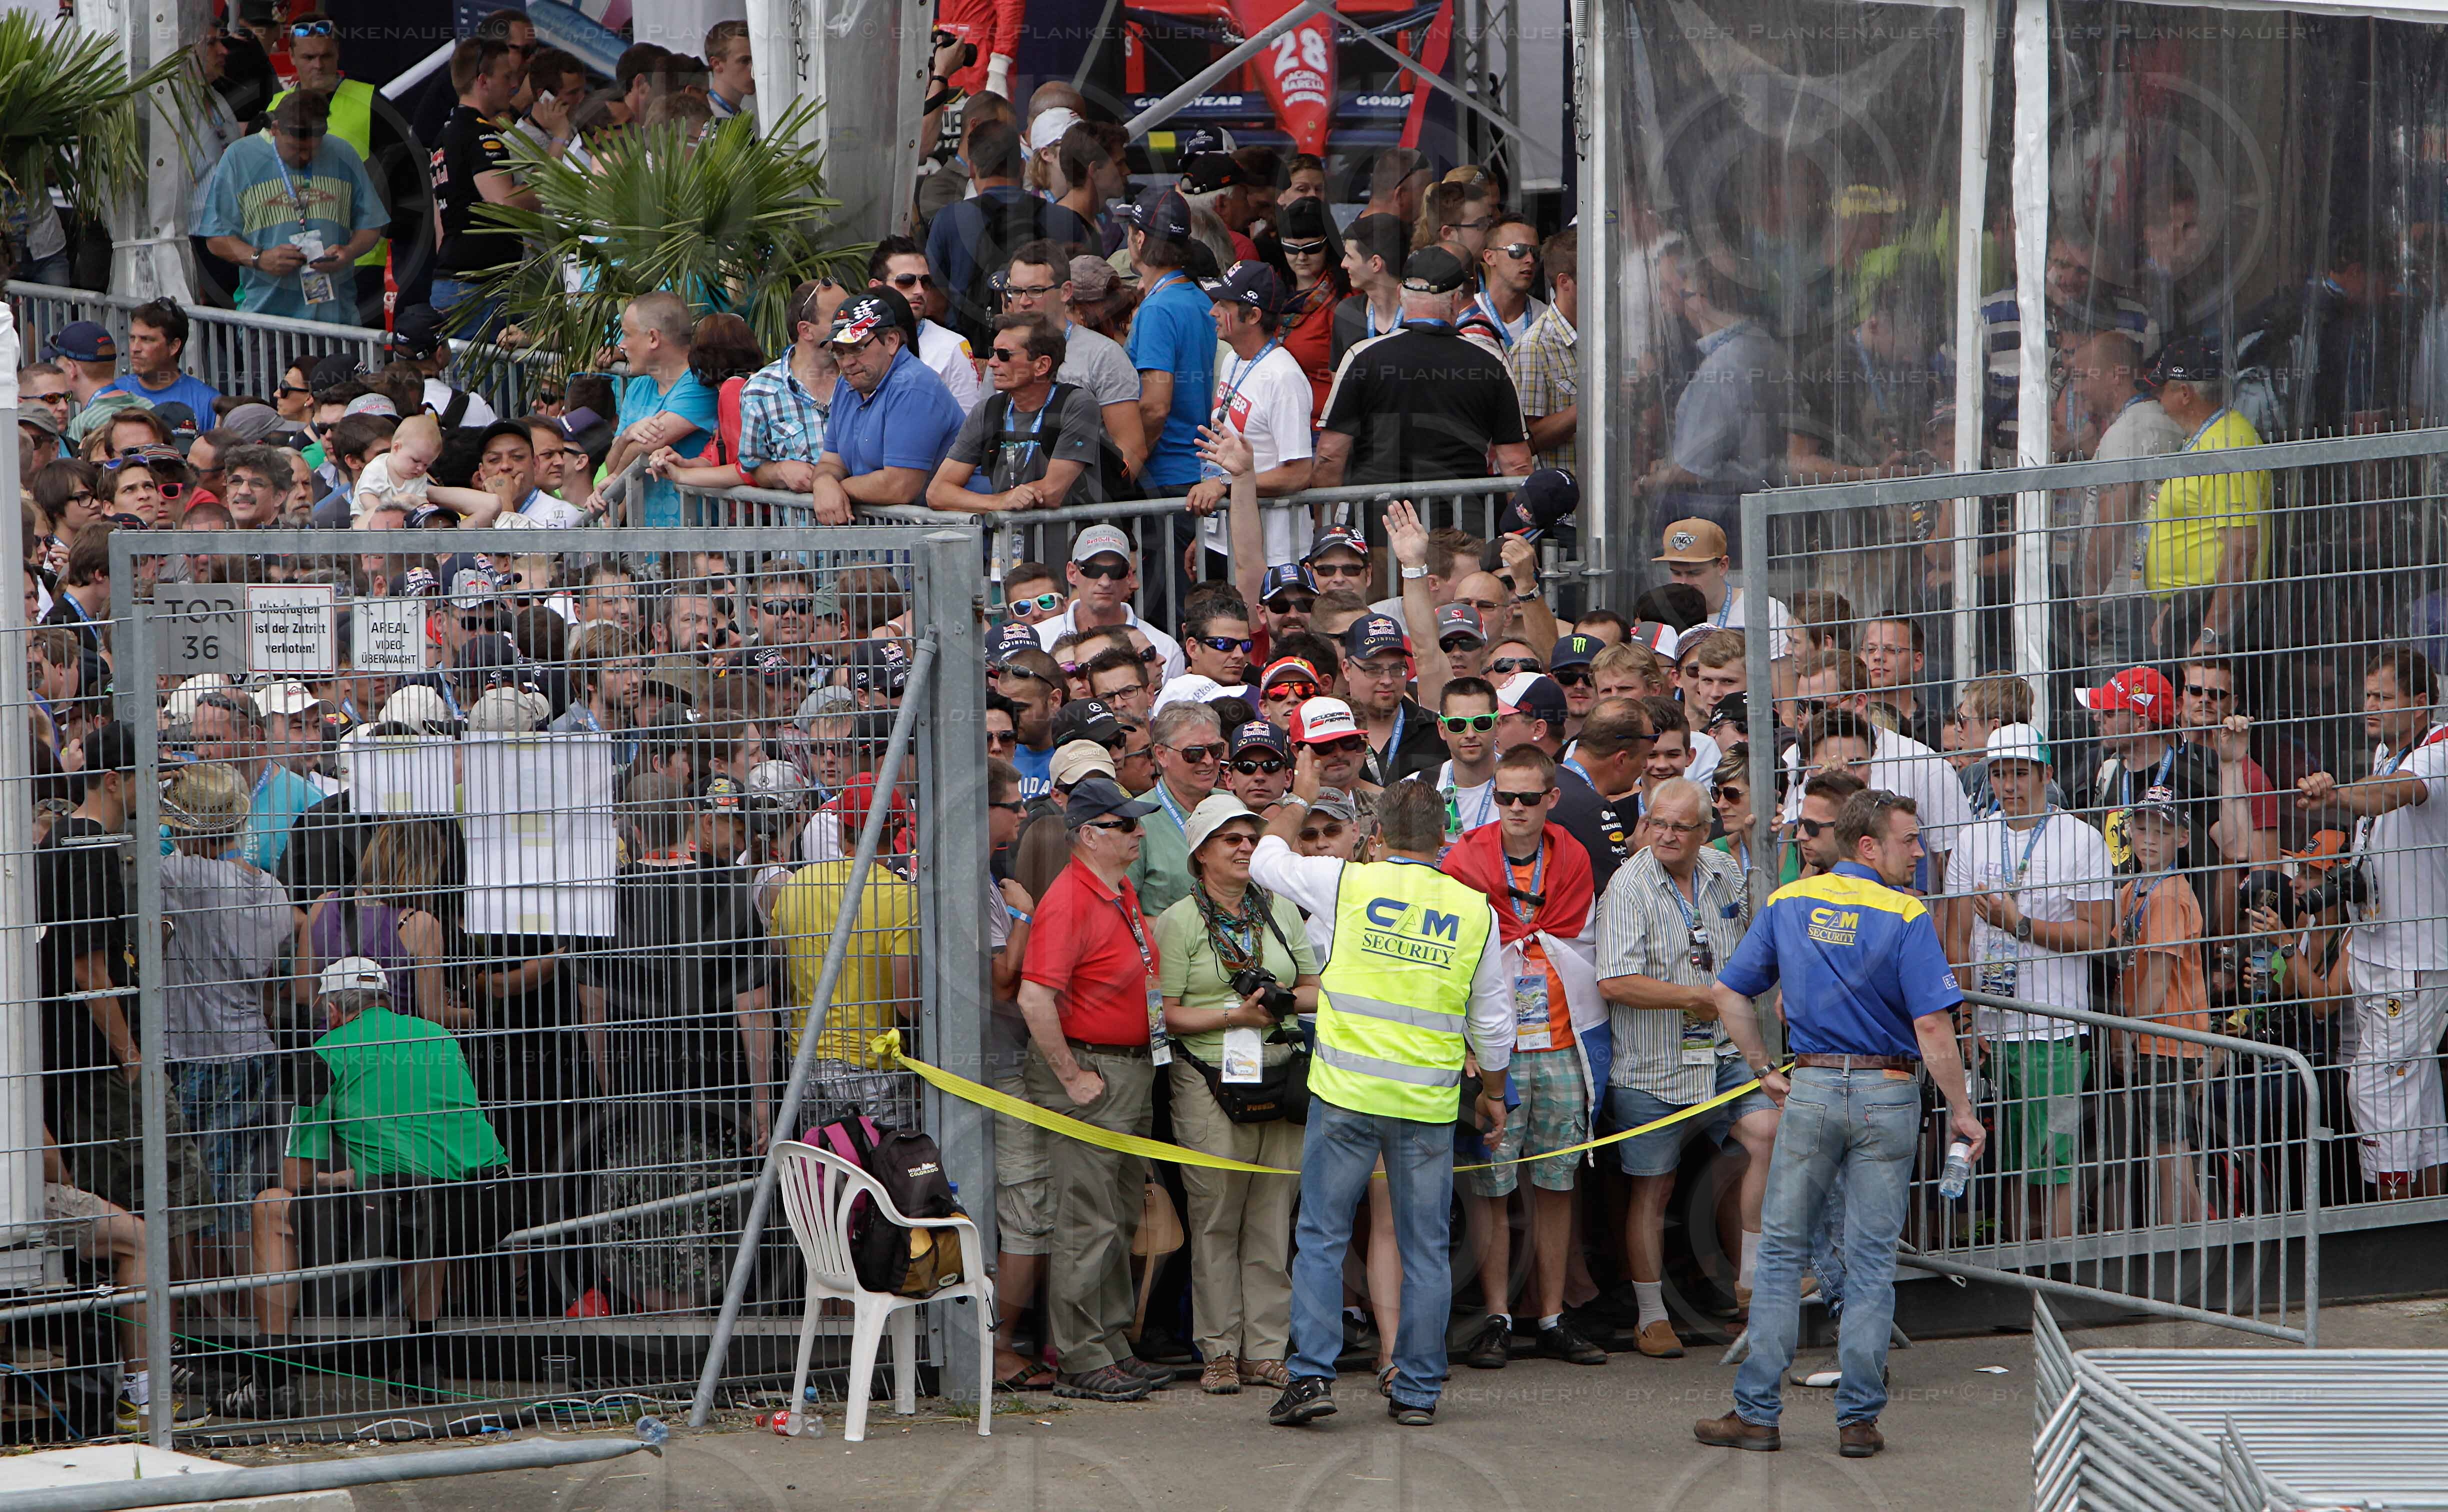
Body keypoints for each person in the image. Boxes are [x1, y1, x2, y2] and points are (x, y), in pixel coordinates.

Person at [1694, 790, 1984, 1459]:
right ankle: (1857, 1421)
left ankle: (1757, 1414)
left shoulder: (1790, 901)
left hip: (1814, 1087)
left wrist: (1762, 1067)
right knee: (1872, 1259)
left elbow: (1729, 992)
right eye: (1909, 840)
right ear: (1869, 846)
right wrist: (1962, 1110)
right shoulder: (1905, 913)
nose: (1919, 852)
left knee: (1781, 1252)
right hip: (1888, 1090)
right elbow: (1932, 1023)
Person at [1250, 766, 1512, 1428]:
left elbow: (1264, 859)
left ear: (1377, 835)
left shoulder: (1348, 882)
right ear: (1444, 839)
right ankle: (1418, 1390)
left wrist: (1300, 793)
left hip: (1346, 1094)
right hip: (1425, 1104)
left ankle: (1311, 1377)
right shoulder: (1474, 912)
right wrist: (1493, 1093)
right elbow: (1493, 1023)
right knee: (1425, 1247)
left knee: (1322, 1236)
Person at [216, 957, 512, 1418]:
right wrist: (353, 1175)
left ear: (334, 1011)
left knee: (270, 1208)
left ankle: (271, 1380)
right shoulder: (439, 1036)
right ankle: (423, 1364)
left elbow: (296, 1179)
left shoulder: (324, 1053)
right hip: (490, 1205)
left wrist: (332, 1176)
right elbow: (430, 1148)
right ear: (385, 1001)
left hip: (402, 1212)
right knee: (428, 1203)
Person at [1442, 746, 1609, 1370]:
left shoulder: (1573, 857)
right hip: (1497, 1049)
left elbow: (1581, 939)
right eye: (1505, 797)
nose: (1515, 808)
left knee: (1557, 1183)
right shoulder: (1464, 860)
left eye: (1528, 798)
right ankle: (1496, 1316)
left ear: (1551, 799)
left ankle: (1553, 1315)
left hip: (1563, 1040)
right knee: (1492, 1186)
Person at [1596, 774, 1774, 1356]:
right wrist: (1691, 997)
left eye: (1681, 827)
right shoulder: (1629, 887)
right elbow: (1614, 981)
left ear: (1704, 831)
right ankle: (1652, 1317)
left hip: (1723, 1051)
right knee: (1655, 1189)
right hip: (1653, 1064)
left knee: (1766, 1135)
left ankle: (1752, 1283)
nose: (1667, 836)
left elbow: (1758, 935)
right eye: (1658, 824)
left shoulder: (1722, 870)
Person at [1014, 777, 1172, 1402]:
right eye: (1125, 825)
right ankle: (1081, 1355)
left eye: (1137, 823)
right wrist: (1072, 1076)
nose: (1138, 833)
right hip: (1096, 1069)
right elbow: (1035, 998)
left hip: (1124, 1068)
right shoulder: (1071, 899)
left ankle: (1107, 1343)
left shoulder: (1116, 889)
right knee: (1089, 1216)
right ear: (1089, 835)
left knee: (1119, 1210)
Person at [1157, 794, 1318, 1393]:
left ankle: (1267, 1350)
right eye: (1232, 839)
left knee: (1273, 1218)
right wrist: (1234, 1017)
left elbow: (1316, 989)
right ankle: (1220, 1350)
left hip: (1279, 1071)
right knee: (1217, 1217)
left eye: (1252, 837)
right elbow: (1168, 1014)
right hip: (1207, 1076)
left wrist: (1278, 1002)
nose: (1247, 847)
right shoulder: (1178, 920)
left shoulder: (1281, 909)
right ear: (1201, 853)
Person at [1941, 724, 2114, 1238]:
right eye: (1998, 774)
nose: (2008, 785)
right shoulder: (1973, 837)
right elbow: (1957, 937)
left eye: (2020, 773)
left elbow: (2098, 935)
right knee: (2010, 1163)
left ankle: (2053, 1269)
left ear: (2046, 774)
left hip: (2053, 1029)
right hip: (1990, 1029)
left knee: (2052, 1163)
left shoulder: (2080, 839)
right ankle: (2019, 1266)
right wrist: (1966, 1017)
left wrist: (2019, 925)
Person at [2294, 646, 2448, 1197]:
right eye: (2367, 696)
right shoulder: (2388, 749)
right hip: (2374, 948)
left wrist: (2336, 794)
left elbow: (2394, 794)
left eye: (2383, 697)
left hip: (2414, 958)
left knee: (2376, 1090)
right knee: (2415, 1098)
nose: (2370, 707)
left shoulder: (2439, 751)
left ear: (2421, 702)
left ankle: (2391, 1220)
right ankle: (2429, 1215)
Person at [160, 762, 296, 1262]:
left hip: (193, 1054)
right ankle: (244, 1295)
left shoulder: (182, 875)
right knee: (240, 1188)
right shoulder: (272, 887)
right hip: (253, 1050)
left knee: (192, 1195)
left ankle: (202, 1298)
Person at [1312, 247, 1534, 489]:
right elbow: (1517, 465)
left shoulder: (1361, 358)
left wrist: (1329, 515)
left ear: (1400, 294)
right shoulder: (1492, 363)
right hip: (1463, 509)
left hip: (1381, 510)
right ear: (1456, 301)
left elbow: (1329, 456)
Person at [194, 88, 385, 324]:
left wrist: (349, 252)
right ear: (275, 129)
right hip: (266, 322)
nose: (305, 157)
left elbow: (371, 225)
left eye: (313, 149)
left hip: (337, 321)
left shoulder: (343, 154)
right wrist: (260, 258)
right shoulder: (239, 158)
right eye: (296, 148)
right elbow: (216, 239)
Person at [2111, 798, 2211, 1222]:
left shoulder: (2168, 895)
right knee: (2164, 1145)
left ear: (2183, 838)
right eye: (2141, 829)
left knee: (2171, 1149)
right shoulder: (2135, 889)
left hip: (2167, 1039)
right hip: (2153, 1038)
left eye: (2163, 832)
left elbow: (2156, 980)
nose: (2149, 840)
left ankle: (2186, 1239)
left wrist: (2125, 1032)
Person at [2140, 334, 2270, 659]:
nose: (2157, 400)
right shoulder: (2208, 439)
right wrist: (2171, 607)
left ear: (2185, 393)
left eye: (2161, 390)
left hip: (2211, 612)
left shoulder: (2226, 445)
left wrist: (2212, 633)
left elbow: (2242, 550)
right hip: (2192, 608)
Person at [925, 120, 1093, 350]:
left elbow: (933, 301)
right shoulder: (1066, 220)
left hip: (972, 354)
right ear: (1022, 167)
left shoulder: (948, 221)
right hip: (1050, 354)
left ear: (972, 169)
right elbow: (1082, 298)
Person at [1192, 262, 1316, 566]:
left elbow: (1299, 473)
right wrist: (1206, 535)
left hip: (1273, 552)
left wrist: (1225, 485)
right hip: (1226, 538)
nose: (1213, 312)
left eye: (1224, 305)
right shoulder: (1234, 360)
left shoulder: (1284, 377)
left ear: (1254, 316)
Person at [806, 289, 966, 524]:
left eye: (857, 348)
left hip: (945, 537)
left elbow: (899, 486)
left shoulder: (913, 385)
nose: (847, 362)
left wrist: (836, 488)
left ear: (891, 341)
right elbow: (831, 462)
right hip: (899, 538)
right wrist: (823, 483)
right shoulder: (847, 383)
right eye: (839, 352)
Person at [927, 313, 1108, 512]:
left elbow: (1053, 492)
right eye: (993, 352)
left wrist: (998, 503)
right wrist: (1000, 503)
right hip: (1007, 532)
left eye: (1004, 355)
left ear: (1042, 365)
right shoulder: (987, 410)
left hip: (1073, 532)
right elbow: (937, 493)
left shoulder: (1077, 405)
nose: (992, 362)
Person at [429, 36, 553, 322]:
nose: (515, 85)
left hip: (451, 280)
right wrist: (550, 179)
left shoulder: (443, 136)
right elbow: (504, 203)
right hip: (481, 287)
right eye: (507, 77)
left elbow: (441, 220)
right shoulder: (480, 134)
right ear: (483, 81)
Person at [1000, 240, 1146, 474]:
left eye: (1036, 291)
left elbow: (1132, 448)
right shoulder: (1002, 350)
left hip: (1082, 493)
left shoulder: (1103, 355)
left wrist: (1103, 495)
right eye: (1016, 292)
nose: (1024, 302)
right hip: (1010, 489)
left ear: (1066, 292)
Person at [1126, 188, 1220, 500]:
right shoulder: (1200, 299)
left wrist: (1128, 470)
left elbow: (1155, 407)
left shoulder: (1158, 308)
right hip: (1196, 471)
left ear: (1140, 239)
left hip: (1165, 477)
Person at [604, 292, 719, 527]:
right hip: (647, 540)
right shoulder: (637, 388)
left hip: (699, 541)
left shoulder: (701, 383)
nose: (621, 345)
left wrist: (624, 457)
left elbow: (645, 447)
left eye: (627, 335)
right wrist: (628, 435)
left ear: (653, 338)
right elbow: (612, 465)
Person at [1027, 525, 1188, 678]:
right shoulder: (1037, 640)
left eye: (1116, 571)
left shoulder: (1165, 649)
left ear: (1129, 576)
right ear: (1072, 573)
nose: (1105, 582)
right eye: (1092, 570)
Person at [1130, 700, 1226, 920]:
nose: (1208, 761)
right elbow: (1124, 916)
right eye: (1194, 753)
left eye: (1216, 750)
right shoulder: (1137, 819)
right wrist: (1184, 931)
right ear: (1161, 754)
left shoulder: (1231, 805)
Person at [866, 236, 986, 411]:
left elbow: (969, 421)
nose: (919, 291)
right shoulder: (855, 343)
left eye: (925, 282)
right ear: (876, 287)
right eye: (906, 281)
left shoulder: (953, 347)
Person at [1652, 517, 1796, 654]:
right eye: (1676, 573)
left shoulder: (1766, 612)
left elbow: (1783, 671)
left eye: (1694, 573)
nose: (1684, 583)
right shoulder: (1659, 616)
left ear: (1723, 566)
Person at [1341, 612, 1446, 787]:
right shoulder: (1324, 734)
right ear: (1347, 670)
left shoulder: (1437, 733)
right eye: (1373, 670)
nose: (1387, 680)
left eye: (1397, 669)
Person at [1516, 226, 1580, 473]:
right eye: (1596, 276)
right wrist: (1594, 403)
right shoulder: (1533, 347)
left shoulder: (1609, 333)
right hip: (1564, 492)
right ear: (1565, 282)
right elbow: (1527, 440)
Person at [99, 300, 221, 418]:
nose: (135, 348)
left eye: (146, 340)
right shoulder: (111, 394)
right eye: (132, 338)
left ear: (174, 346)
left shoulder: (208, 403)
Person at [1330, 212, 1409, 366]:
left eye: (1349, 256)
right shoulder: (1346, 313)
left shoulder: (1421, 316)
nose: (1343, 264)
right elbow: (1339, 379)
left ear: (1375, 264)